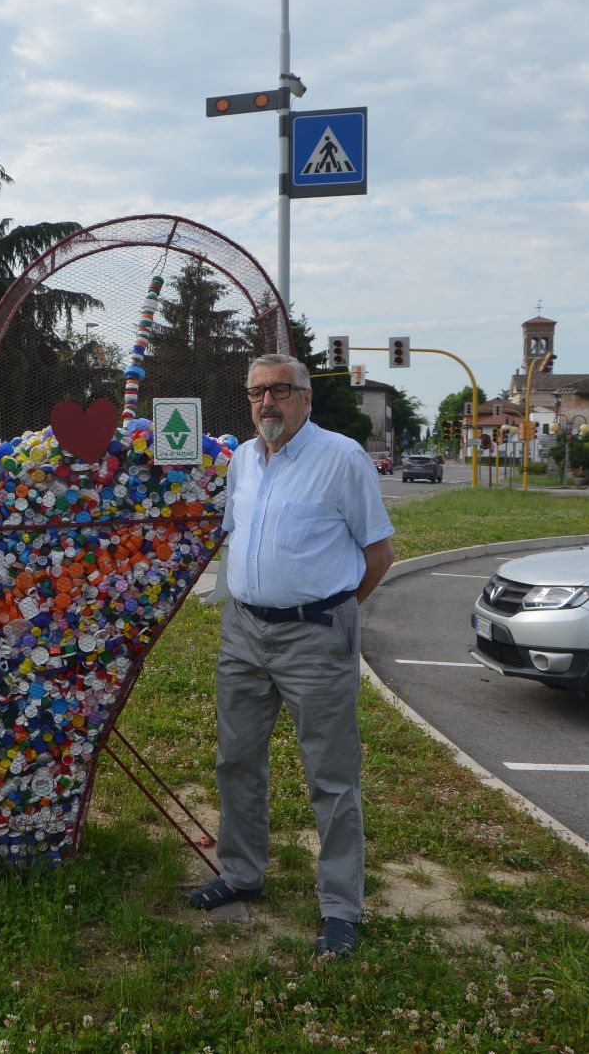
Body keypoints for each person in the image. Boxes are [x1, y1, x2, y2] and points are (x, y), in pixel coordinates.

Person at [187, 352, 396, 958]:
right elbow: (234, 537)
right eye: (256, 392)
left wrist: (331, 614)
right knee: (236, 760)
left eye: (280, 390)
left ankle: (340, 908)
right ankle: (241, 873)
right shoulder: (243, 463)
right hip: (244, 632)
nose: (266, 402)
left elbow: (378, 554)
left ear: (306, 397)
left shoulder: (341, 459)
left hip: (315, 636)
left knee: (331, 776)